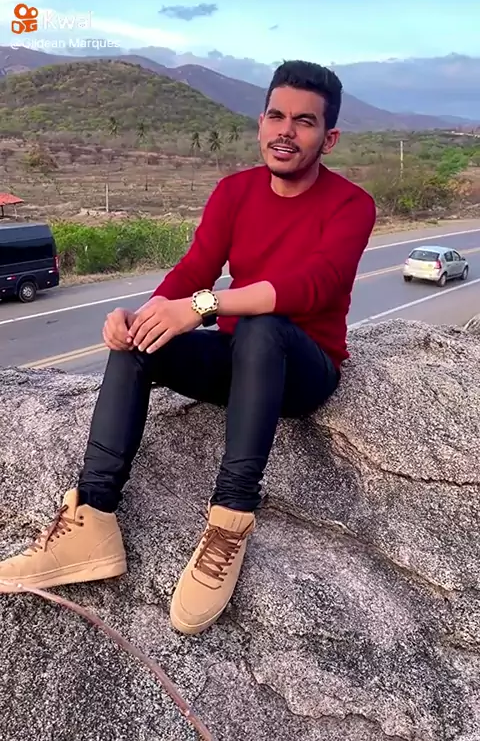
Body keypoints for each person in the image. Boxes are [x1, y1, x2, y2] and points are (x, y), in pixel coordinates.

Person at [0, 60, 376, 635]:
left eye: (304, 122)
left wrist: (200, 307)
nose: (286, 130)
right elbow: (196, 267)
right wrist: (146, 316)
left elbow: (312, 286)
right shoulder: (235, 192)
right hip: (239, 362)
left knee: (262, 326)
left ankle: (229, 521)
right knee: (138, 344)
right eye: (276, 115)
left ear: (329, 138)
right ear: (261, 122)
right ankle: (92, 520)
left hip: (303, 371)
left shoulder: (352, 204)